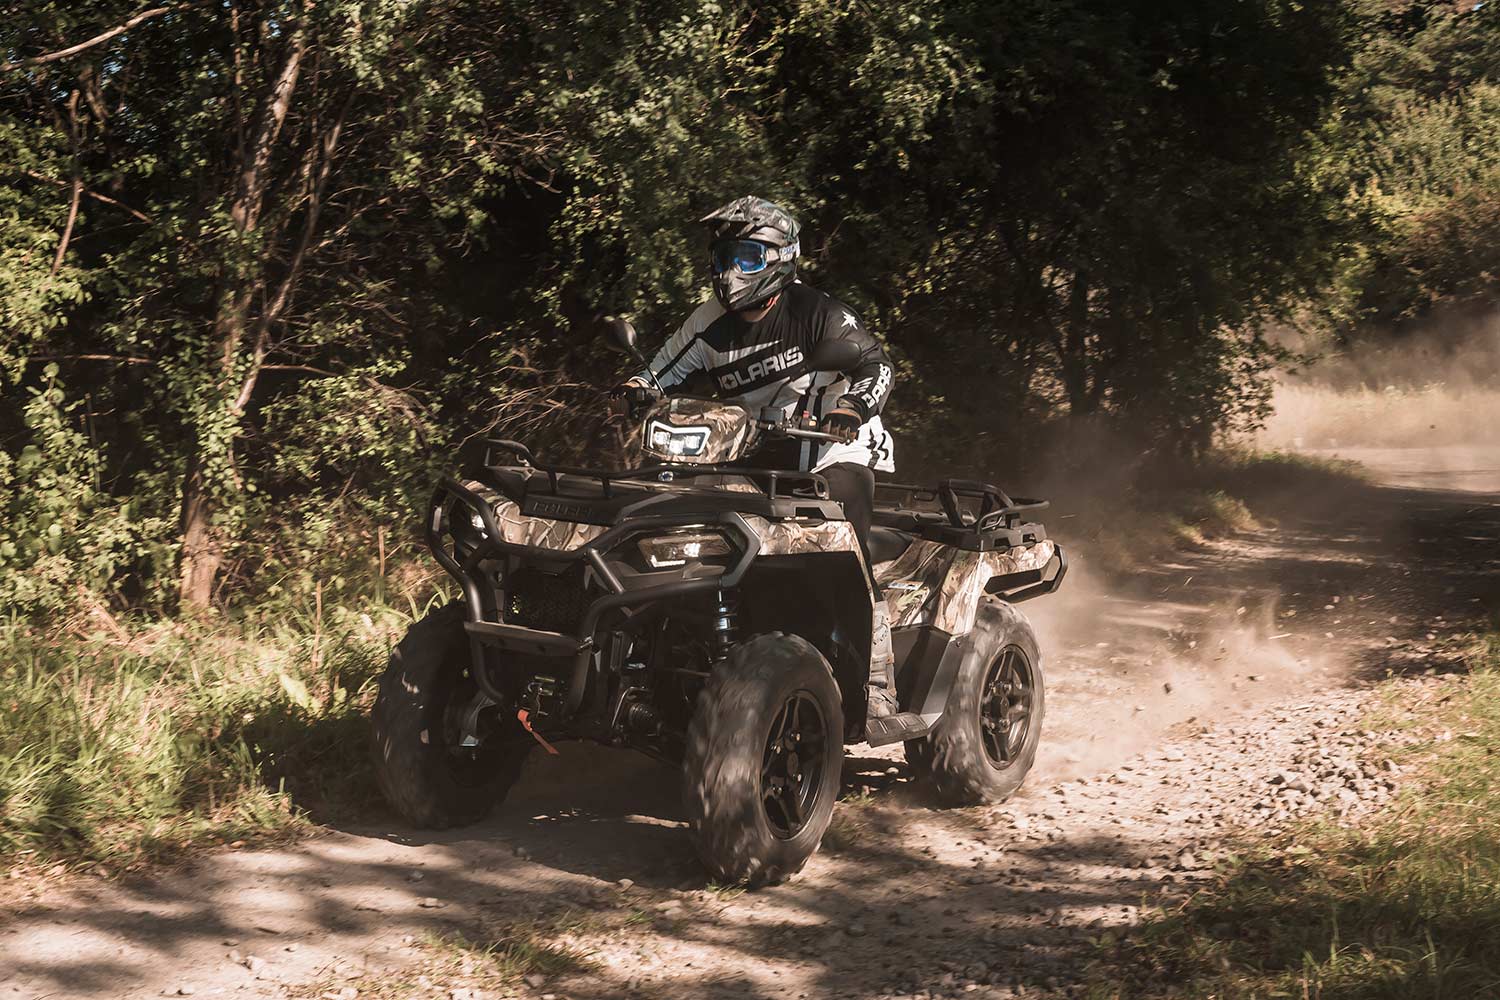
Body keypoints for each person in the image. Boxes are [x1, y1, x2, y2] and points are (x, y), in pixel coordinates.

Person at [613, 194, 900, 716]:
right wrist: (638, 385)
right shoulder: (707, 322)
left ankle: (876, 675)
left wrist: (853, 408)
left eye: (744, 257)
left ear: (779, 256)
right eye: (723, 258)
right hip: (760, 450)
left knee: (843, 537)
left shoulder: (819, 313)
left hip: (836, 448)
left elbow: (878, 365)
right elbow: (661, 370)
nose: (729, 272)